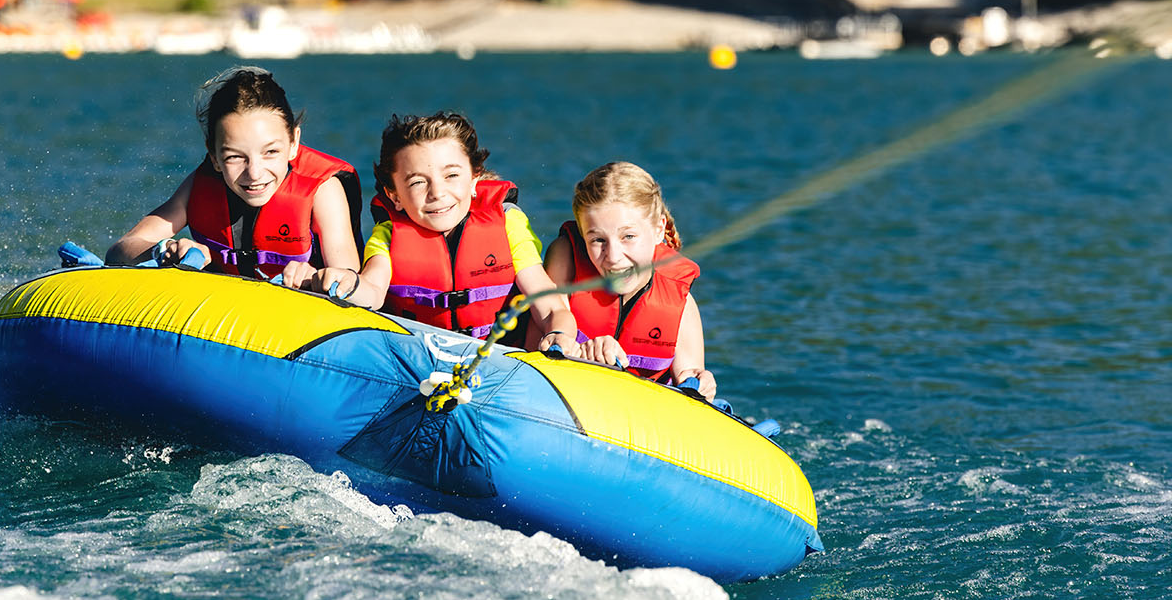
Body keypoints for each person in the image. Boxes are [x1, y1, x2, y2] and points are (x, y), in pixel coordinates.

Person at [290, 111, 578, 352]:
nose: (437, 193)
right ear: (394, 195)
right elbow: (374, 291)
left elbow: (550, 306)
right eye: (417, 182)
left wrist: (559, 334)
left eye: (451, 175)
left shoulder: (507, 224)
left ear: (474, 179)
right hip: (419, 363)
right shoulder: (388, 235)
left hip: (500, 362)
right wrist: (347, 282)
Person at [106, 67, 362, 280]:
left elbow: (348, 280)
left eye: (271, 152)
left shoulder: (323, 191)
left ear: (294, 142)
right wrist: (164, 250)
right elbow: (120, 250)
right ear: (214, 156)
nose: (255, 173)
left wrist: (314, 279)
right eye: (235, 157)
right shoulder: (201, 185)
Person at [536, 162, 715, 399]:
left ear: (658, 229)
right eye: (598, 240)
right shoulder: (565, 262)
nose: (613, 257)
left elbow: (690, 378)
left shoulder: (680, 304)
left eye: (628, 236)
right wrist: (578, 352)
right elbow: (539, 343)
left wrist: (702, 382)